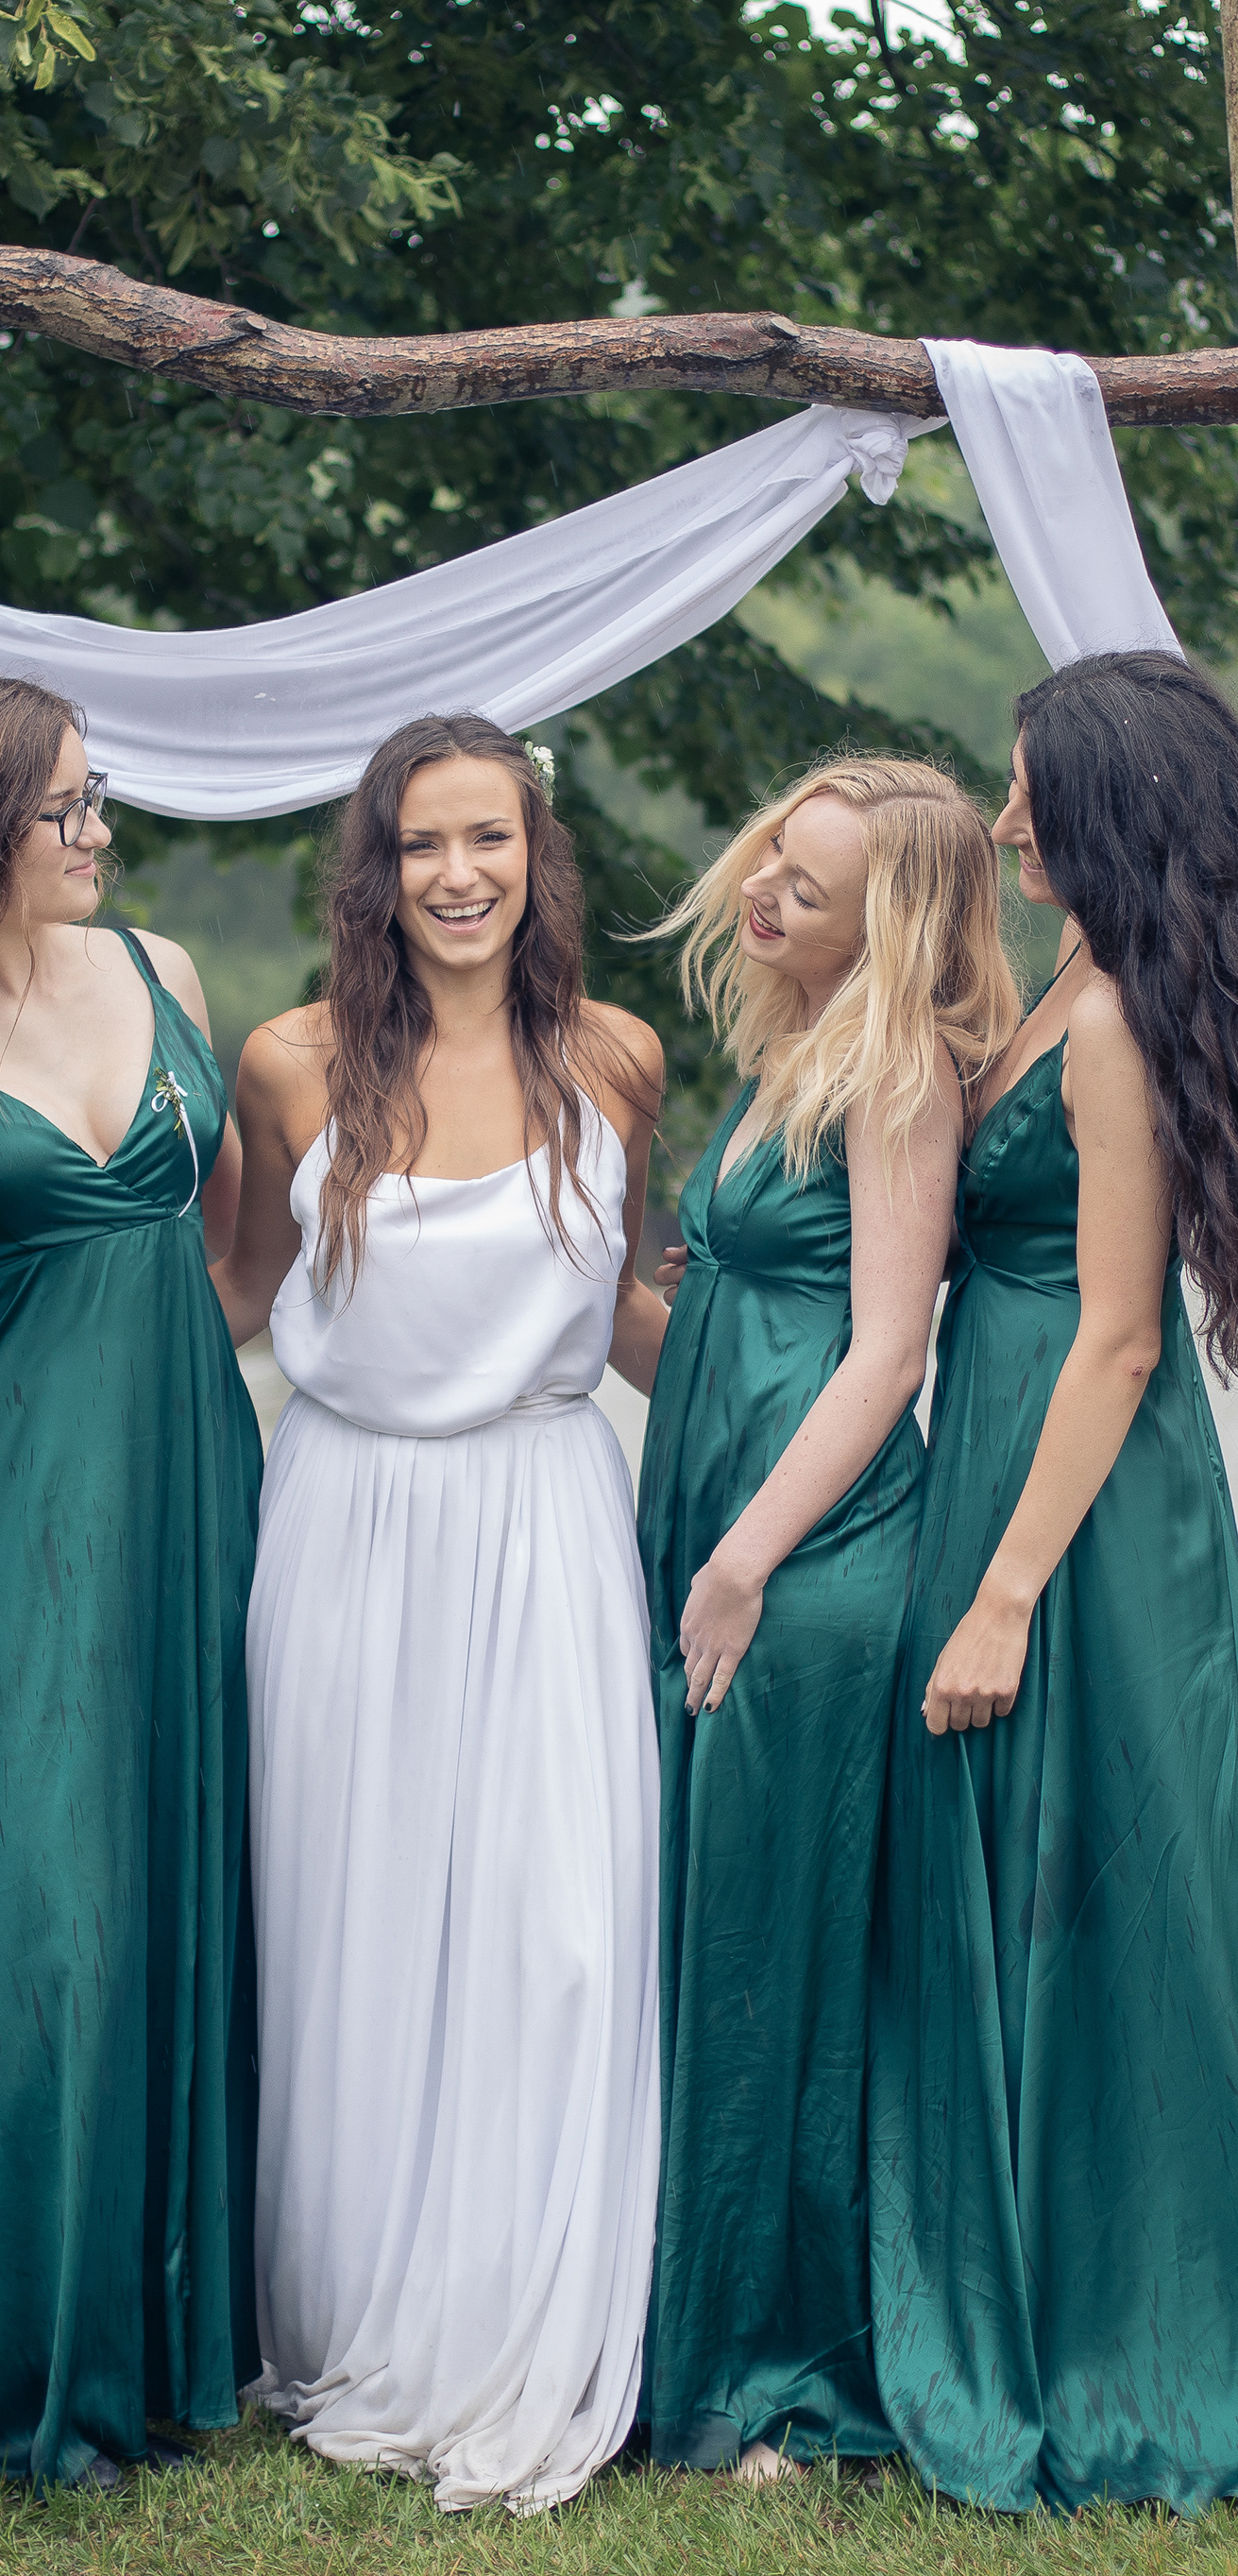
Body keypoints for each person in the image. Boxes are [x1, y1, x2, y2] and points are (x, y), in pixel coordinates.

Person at [212, 713, 669, 2513]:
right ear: (377, 871)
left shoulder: (617, 1058)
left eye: (491, 839)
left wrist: (833, 1381)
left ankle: (521, 2312)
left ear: (538, 859)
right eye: (422, 844)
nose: (459, 875)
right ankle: (355, 2301)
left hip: (551, 1517)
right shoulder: (290, 1064)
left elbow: (627, 1311)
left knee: (559, 1927)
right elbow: (236, 1293)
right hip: (346, 1525)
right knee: (361, 1916)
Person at [0, 672, 262, 2489]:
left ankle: (171, 2324)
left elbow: (225, 1236)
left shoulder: (166, 973)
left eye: (101, 800)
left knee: (186, 1858)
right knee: (32, 1879)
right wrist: (12, 1291)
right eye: (69, 808)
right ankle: (13, 2334)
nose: (101, 833)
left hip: (198, 1466)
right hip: (24, 1476)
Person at [870, 653, 1238, 2514]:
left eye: (1025, 788)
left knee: (1113, 1892)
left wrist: (1008, 1592)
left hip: (1079, 1510)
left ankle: (1131, 2328)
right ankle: (1018, 2270)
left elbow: (1119, 1337)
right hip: (1002, 1468)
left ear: (1101, 801)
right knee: (1023, 1875)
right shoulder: (1072, 986)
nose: (1004, 817)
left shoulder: (1108, 1030)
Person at [635, 754, 1018, 2477]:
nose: (767, 892)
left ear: (894, 921)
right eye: (772, 857)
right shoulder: (791, 1044)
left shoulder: (896, 1071)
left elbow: (883, 1353)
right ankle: (688, 2321)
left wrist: (746, 1559)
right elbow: (731, 1314)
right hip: (730, 1510)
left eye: (813, 883)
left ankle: (775, 2361)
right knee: (720, 1926)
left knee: (771, 1956)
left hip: (811, 1552)